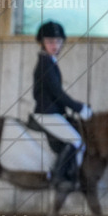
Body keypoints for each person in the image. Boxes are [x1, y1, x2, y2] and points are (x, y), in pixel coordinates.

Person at [30, 21, 92, 191]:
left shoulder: (50, 61)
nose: (55, 45)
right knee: (76, 140)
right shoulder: (45, 64)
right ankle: (58, 176)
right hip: (46, 114)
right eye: (50, 42)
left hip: (52, 113)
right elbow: (57, 93)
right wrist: (80, 108)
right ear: (42, 42)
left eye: (58, 41)